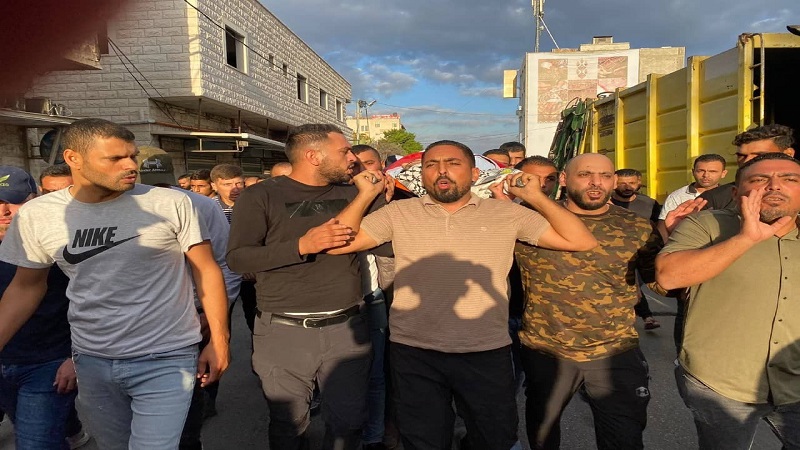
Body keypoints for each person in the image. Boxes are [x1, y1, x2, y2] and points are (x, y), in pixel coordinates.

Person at [327, 140, 597, 449]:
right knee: (423, 440)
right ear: (422, 174)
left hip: (485, 350)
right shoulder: (398, 213)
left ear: (474, 173)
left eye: (453, 163)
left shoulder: (506, 214)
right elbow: (339, 242)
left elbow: (581, 241)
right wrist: (366, 194)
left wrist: (534, 197)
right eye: (432, 165)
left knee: (494, 438)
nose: (442, 171)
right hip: (414, 352)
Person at [0, 118, 230, 449]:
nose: (131, 166)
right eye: (115, 158)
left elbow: (206, 270)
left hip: (167, 356)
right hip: (91, 359)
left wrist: (219, 341)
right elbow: (26, 287)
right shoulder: (38, 214)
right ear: (73, 158)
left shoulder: (170, 203)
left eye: (132, 156)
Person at [227, 124, 386, 449]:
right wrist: (301, 245)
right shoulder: (261, 195)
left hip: (347, 328)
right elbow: (238, 259)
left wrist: (380, 193)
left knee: (349, 422)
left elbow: (387, 238)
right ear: (313, 156)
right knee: (289, 424)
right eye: (344, 151)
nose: (352, 158)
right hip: (283, 331)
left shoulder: (355, 193)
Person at [515, 153, 662, 450]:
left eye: (605, 176)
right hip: (547, 350)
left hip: (615, 350)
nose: (596, 183)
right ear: (565, 179)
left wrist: (683, 244)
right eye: (585, 175)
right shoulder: (529, 221)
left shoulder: (636, 227)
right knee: (543, 436)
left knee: (624, 440)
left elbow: (662, 283)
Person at [656, 153, 800, 450]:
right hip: (721, 384)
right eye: (759, 179)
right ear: (736, 193)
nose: (774, 186)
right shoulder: (707, 224)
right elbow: (669, 277)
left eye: (789, 179)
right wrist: (745, 238)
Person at [135, 146, 240, 450]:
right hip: (149, 317)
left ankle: (203, 406)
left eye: (163, 182)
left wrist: (215, 311)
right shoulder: (120, 208)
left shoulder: (200, 206)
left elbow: (224, 262)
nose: (158, 190)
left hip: (199, 306)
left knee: (199, 377)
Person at [0, 166, 89, 450]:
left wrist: (75, 357)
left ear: (34, 198)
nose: (4, 211)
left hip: (47, 362)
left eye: (13, 201)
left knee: (36, 444)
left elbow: (91, 302)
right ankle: (72, 429)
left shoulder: (61, 241)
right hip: (5, 361)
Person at [351, 144, 391, 450]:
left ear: (382, 165)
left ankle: (375, 434)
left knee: (378, 373)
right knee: (351, 375)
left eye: (369, 163)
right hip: (345, 300)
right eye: (355, 166)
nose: (363, 171)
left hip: (377, 295)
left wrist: (383, 203)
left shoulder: (400, 199)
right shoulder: (341, 197)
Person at [699, 124, 795, 211]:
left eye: (759, 155)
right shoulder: (713, 199)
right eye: (741, 156)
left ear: (788, 154)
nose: (747, 161)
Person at [611, 168, 662, 330]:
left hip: (644, 251)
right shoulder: (605, 203)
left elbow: (658, 227)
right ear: (613, 183)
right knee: (632, 284)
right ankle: (646, 316)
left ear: (639, 183)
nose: (627, 187)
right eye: (622, 183)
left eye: (632, 183)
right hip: (618, 253)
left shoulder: (649, 204)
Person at [657, 154, 727, 237]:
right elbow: (662, 227)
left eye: (712, 171)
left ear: (723, 173)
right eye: (700, 171)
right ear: (693, 172)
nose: (706, 175)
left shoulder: (730, 195)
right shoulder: (677, 196)